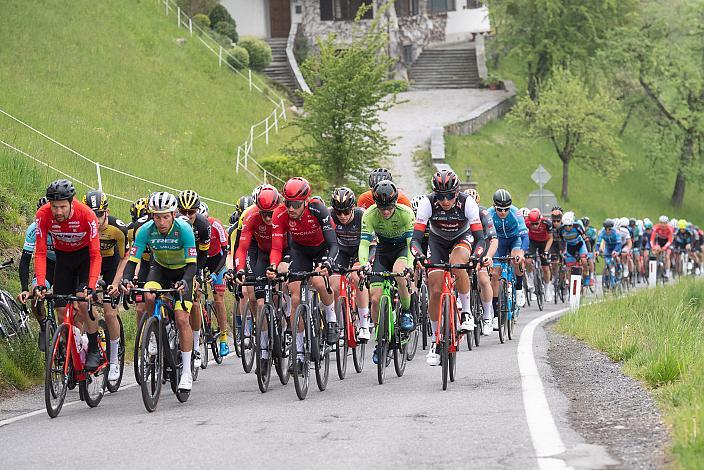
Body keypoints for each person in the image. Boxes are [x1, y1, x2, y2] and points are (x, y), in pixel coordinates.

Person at [121, 192, 197, 392]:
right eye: (157, 216)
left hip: (183, 271)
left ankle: (187, 372)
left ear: (173, 214)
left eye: (165, 216)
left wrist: (185, 281)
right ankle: (154, 334)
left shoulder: (185, 230)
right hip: (160, 269)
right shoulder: (145, 230)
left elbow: (192, 265)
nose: (161, 221)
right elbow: (132, 261)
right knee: (148, 293)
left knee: (181, 319)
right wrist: (126, 279)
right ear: (151, 216)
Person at [411, 170, 487, 367]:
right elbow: (416, 240)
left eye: (449, 196)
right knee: (434, 288)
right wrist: (419, 256)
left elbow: (480, 239)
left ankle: (467, 312)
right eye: (441, 196)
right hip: (437, 241)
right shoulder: (428, 203)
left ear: (456, 193)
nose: (445, 201)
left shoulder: (466, 203)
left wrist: (476, 257)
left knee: (458, 262)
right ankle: (436, 340)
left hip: (462, 237)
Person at [269, 177, 338, 372]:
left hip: (322, 249)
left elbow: (333, 243)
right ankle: (298, 354)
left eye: (296, 204)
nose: (291, 208)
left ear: (305, 202)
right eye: (288, 203)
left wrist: (328, 262)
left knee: (318, 281)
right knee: (295, 297)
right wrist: (273, 266)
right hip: (299, 250)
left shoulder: (318, 209)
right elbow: (276, 247)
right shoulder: (280, 214)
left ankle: (331, 319)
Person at [33, 180, 103, 370]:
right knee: (61, 309)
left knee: (82, 302)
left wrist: (91, 285)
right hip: (63, 258)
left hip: (86, 258)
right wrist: (40, 283)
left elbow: (96, 255)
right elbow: (39, 252)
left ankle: (94, 348)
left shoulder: (87, 215)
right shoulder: (43, 215)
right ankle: (70, 348)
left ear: (71, 202)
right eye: (54, 207)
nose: (59, 212)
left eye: (63, 206)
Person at [358, 180, 415, 365]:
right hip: (383, 251)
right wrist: (364, 264)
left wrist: (410, 265)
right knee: (375, 298)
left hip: (402, 250)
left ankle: (406, 311)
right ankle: (380, 338)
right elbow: (364, 244)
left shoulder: (405, 213)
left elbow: (411, 244)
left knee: (399, 273)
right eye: (381, 207)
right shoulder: (369, 214)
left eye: (389, 207)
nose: (385, 211)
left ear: (395, 202)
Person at [83, 190, 129, 381]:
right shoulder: (81, 226)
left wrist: (117, 282)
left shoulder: (118, 229)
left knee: (110, 313)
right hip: (89, 262)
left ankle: (114, 360)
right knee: (82, 306)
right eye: (91, 214)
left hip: (111, 264)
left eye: (99, 215)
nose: (96, 219)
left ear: (107, 212)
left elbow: (125, 257)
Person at [329, 187, 370, 341]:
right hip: (341, 252)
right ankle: (339, 323)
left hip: (360, 251)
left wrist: (366, 263)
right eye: (339, 212)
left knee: (357, 277)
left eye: (346, 212)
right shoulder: (330, 215)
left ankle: (364, 324)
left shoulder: (362, 215)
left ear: (353, 208)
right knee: (334, 284)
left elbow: (371, 244)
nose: (342, 216)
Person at [177, 190, 211, 368]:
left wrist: (197, 275)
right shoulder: (172, 222)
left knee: (195, 302)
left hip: (196, 261)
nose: (187, 215)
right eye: (183, 211)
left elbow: (204, 254)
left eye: (191, 212)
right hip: (175, 261)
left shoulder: (203, 225)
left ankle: (196, 346)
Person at [17, 196, 54, 351]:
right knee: (35, 296)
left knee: (66, 302)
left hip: (67, 265)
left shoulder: (62, 227)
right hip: (47, 266)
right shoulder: (34, 229)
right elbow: (25, 260)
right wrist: (25, 288)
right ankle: (44, 325)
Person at [464, 188, 498, 336]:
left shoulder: (484, 213)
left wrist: (489, 256)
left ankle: (487, 317)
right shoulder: (459, 213)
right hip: (466, 245)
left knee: (484, 280)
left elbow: (493, 239)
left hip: (481, 245)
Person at [198, 201, 231, 357]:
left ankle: (224, 337)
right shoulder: (193, 227)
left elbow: (225, 253)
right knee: (195, 295)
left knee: (218, 298)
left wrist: (216, 272)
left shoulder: (216, 225)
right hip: (200, 260)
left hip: (217, 260)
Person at [488, 189, 529, 311]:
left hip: (514, 239)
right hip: (498, 241)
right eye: (499, 209)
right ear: (494, 206)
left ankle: (519, 289)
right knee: (495, 273)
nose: (503, 212)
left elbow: (525, 236)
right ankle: (495, 312)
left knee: (517, 259)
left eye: (506, 209)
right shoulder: (489, 213)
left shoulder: (516, 213)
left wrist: (521, 253)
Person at [526, 208, 554, 302]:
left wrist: (546, 251)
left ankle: (547, 290)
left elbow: (550, 239)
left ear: (540, 220)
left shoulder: (547, 223)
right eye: (532, 224)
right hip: (532, 242)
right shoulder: (526, 222)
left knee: (545, 268)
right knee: (528, 261)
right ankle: (531, 281)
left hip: (544, 242)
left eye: (536, 224)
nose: (534, 226)